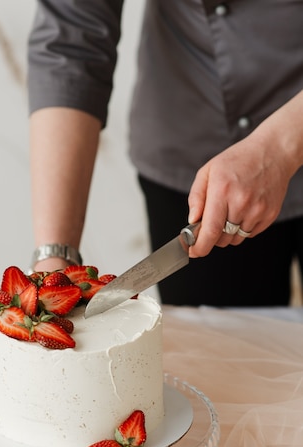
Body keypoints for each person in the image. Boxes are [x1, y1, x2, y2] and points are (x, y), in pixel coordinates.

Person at [26, 0, 303, 307]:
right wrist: (54, 255)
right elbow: (72, 37)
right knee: (210, 348)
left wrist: (280, 146)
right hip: (189, 162)